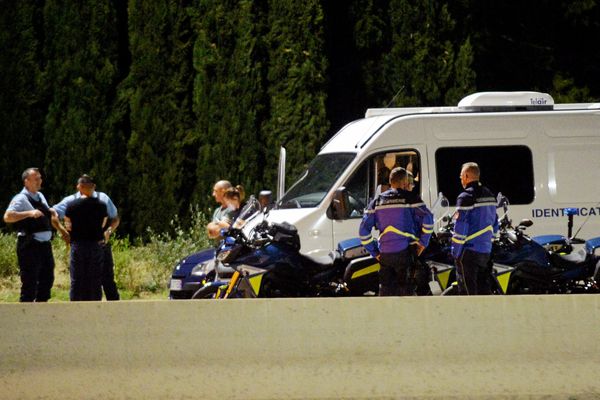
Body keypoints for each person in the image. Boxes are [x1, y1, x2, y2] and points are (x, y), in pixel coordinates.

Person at [359, 167, 434, 296]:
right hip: (406, 254)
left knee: (387, 295)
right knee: (407, 295)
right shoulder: (411, 198)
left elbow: (363, 232)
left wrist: (375, 252)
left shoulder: (377, 202)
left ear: (391, 181)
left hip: (385, 256)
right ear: (405, 182)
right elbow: (428, 219)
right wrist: (423, 243)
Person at [3, 168, 69, 302]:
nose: (40, 181)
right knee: (30, 281)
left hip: (45, 245)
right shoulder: (20, 198)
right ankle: (26, 314)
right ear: (26, 182)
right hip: (29, 245)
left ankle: (41, 311)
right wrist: (29, 213)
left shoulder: (40, 196)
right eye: (36, 179)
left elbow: (44, 210)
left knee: (47, 279)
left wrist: (50, 210)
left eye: (40, 178)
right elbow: (7, 217)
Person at [52, 174, 121, 300]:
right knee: (80, 280)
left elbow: (115, 218)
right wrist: (63, 232)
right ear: (79, 186)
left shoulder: (103, 198)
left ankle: (115, 312)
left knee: (107, 279)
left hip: (101, 243)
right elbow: (53, 214)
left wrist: (109, 231)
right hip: (80, 244)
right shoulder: (70, 201)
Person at [451, 162, 499, 295]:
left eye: (461, 176)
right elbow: (495, 222)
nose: (461, 179)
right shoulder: (489, 194)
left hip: (469, 251)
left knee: (467, 291)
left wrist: (456, 252)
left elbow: (461, 227)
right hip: (485, 251)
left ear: (466, 176)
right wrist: (489, 242)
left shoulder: (465, 197)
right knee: (484, 289)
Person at [64, 175, 108, 301]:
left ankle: (75, 305)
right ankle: (95, 306)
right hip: (95, 244)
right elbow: (103, 224)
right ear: (92, 187)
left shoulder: (71, 205)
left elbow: (68, 225)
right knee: (95, 278)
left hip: (78, 244)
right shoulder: (101, 205)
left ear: (80, 187)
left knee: (77, 278)